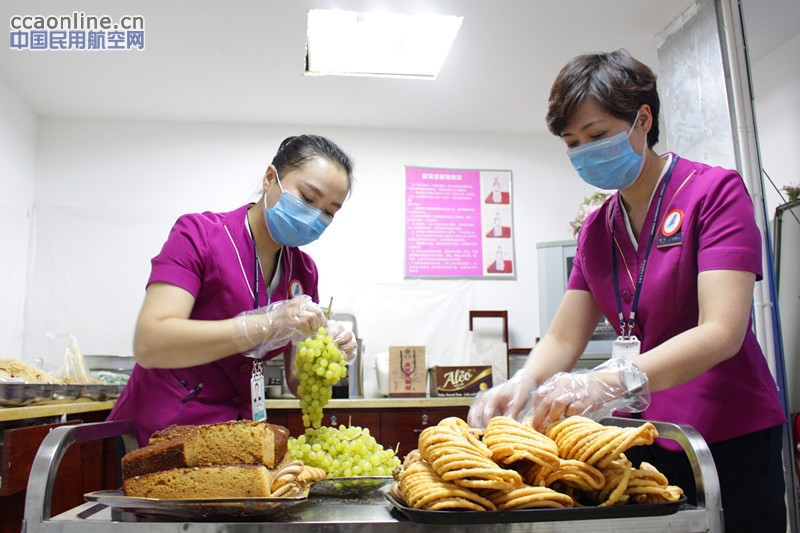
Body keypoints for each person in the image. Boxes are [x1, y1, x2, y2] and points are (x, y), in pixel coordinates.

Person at [468, 50, 787, 532]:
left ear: (643, 118)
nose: (584, 152)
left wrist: (602, 381)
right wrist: (523, 381)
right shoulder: (598, 228)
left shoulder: (714, 193)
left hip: (729, 435)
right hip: (647, 437)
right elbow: (562, 337)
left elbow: (722, 330)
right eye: (572, 143)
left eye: (596, 136)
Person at [108, 134, 358, 446]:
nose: (314, 217)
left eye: (329, 212)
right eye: (308, 199)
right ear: (270, 179)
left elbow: (298, 384)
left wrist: (328, 352)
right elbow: (151, 343)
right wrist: (264, 325)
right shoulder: (198, 236)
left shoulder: (303, 271)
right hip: (163, 431)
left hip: (238, 440)